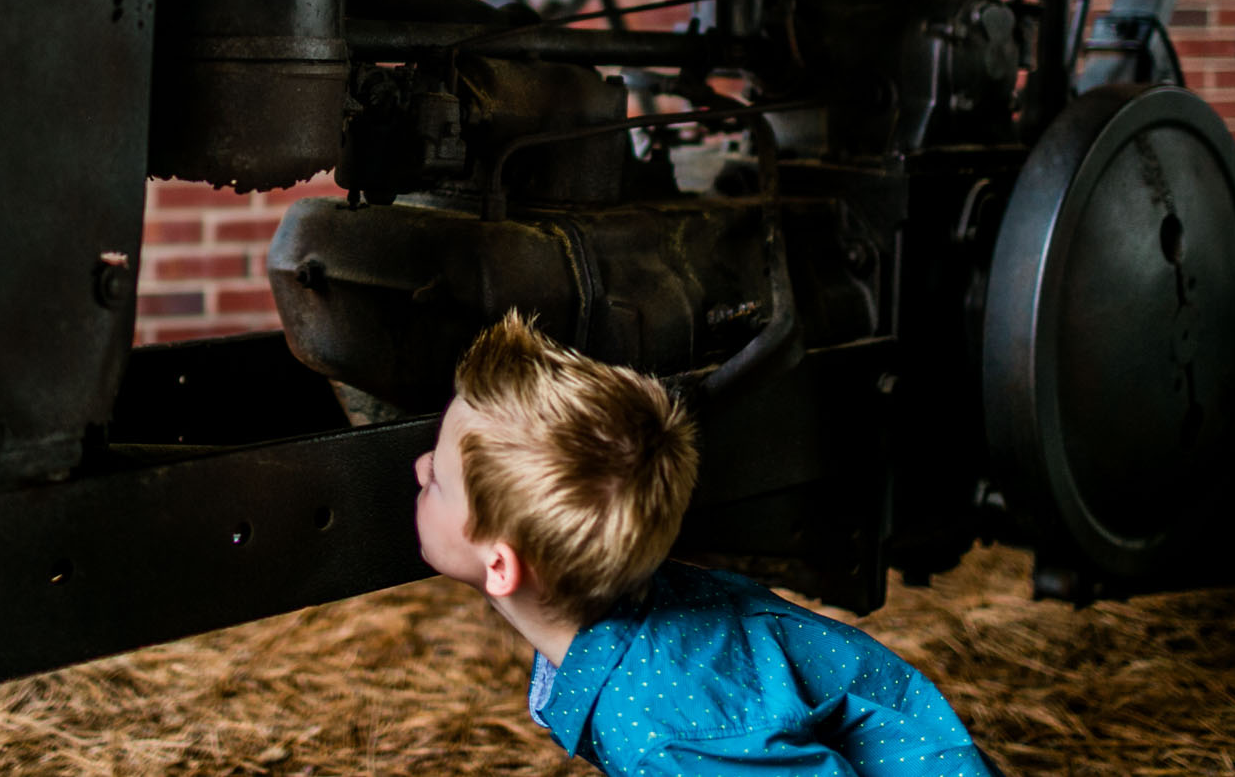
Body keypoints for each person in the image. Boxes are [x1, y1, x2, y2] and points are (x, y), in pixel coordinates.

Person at [414, 310, 989, 777]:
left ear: (500, 565)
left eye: (437, 479)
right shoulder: (642, 620)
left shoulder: (663, 731)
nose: (419, 470)